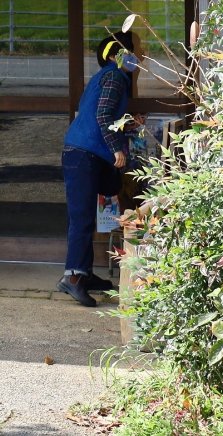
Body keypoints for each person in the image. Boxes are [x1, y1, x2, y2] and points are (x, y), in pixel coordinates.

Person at [57, 30, 137, 307]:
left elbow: (103, 114)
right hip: (83, 155)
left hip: (87, 155)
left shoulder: (103, 78)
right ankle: (74, 277)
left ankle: (85, 273)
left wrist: (127, 126)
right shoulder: (114, 76)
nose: (134, 56)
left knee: (110, 188)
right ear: (115, 56)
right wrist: (116, 148)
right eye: (128, 51)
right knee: (81, 219)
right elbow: (103, 114)